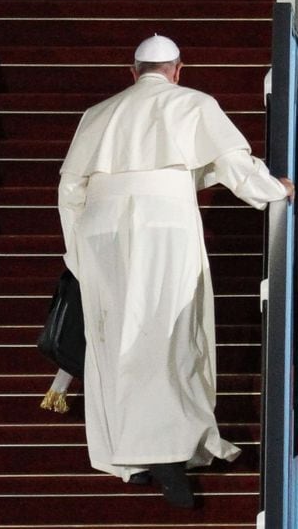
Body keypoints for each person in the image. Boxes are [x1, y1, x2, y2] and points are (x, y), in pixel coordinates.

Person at [54, 35, 294, 508]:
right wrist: (274, 189)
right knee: (171, 332)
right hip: (164, 227)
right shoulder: (194, 103)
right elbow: (230, 163)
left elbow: (70, 189)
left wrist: (76, 255)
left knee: (117, 339)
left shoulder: (98, 114)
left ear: (133, 71)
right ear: (178, 69)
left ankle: (129, 455)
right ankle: (169, 451)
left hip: (100, 234)